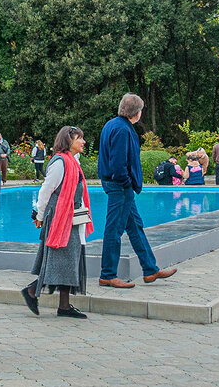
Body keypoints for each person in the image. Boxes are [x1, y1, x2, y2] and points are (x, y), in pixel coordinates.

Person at [96, 93, 177, 289]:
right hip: (119, 186)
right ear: (137, 112)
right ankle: (107, 275)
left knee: (135, 226)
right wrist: (127, 182)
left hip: (119, 186)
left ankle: (150, 269)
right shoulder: (123, 129)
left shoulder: (112, 125)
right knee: (114, 229)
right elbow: (118, 164)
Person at [21, 126, 92, 319]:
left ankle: (63, 306)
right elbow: (45, 191)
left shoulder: (72, 161)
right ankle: (32, 291)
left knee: (68, 258)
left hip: (70, 216)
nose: (83, 142)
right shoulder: (60, 163)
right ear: (69, 141)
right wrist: (40, 216)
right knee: (58, 258)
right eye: (80, 138)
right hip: (60, 216)